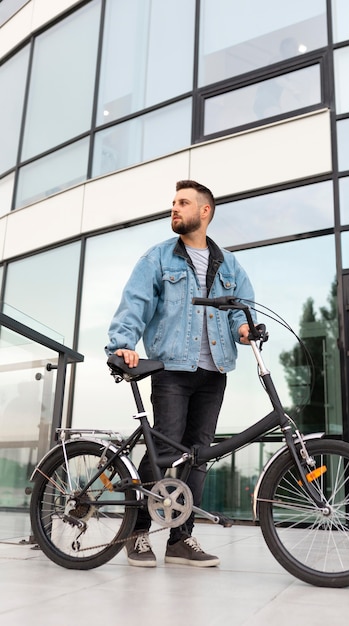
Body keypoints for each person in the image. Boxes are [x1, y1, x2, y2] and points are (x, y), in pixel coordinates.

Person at [105, 180, 255, 568]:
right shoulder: (158, 258)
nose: (174, 208)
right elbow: (135, 302)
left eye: (183, 203)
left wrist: (244, 328)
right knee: (166, 451)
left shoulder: (229, 263)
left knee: (199, 457)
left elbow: (242, 307)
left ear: (204, 212)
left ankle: (179, 540)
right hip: (172, 369)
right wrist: (122, 343)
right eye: (173, 202)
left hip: (214, 371)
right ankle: (136, 533)